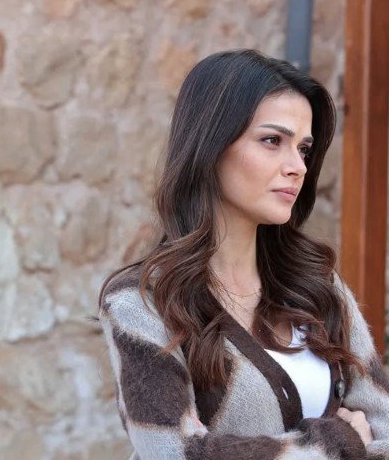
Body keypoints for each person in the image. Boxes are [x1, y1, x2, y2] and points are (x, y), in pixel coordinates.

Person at [99, 49, 389, 460]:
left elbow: (384, 425)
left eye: (303, 149)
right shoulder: (142, 302)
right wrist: (336, 444)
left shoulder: (319, 287)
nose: (298, 166)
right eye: (272, 141)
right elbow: (171, 451)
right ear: (211, 145)